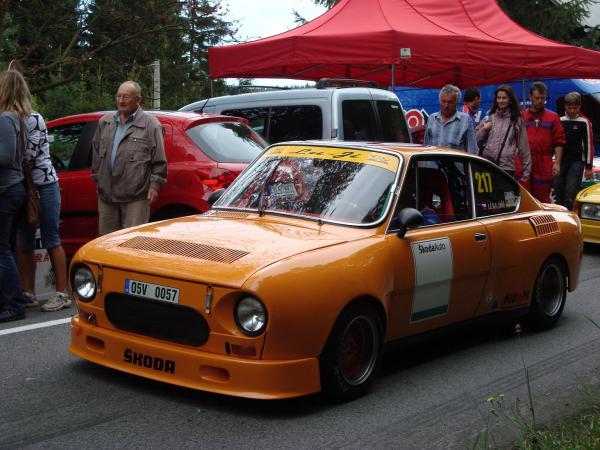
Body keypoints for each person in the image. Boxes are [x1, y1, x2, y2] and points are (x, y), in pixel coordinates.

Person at [7, 62, 72, 312]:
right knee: (24, 241)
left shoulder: (33, 119)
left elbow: (27, 157)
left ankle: (62, 293)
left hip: (43, 186)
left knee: (51, 238)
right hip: (22, 187)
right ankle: (29, 292)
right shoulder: (11, 120)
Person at [91, 81, 167, 235]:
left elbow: (159, 160)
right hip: (107, 196)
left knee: (132, 241)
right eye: (118, 96)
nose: (121, 101)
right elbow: (96, 154)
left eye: (126, 97)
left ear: (138, 99)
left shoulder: (150, 124)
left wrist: (155, 186)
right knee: (107, 242)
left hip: (136, 197)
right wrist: (98, 179)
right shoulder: (105, 122)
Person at [0, 71, 28, 322]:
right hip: (14, 188)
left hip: (6, 189)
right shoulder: (19, 118)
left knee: (3, 250)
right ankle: (11, 299)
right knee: (6, 247)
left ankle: (14, 304)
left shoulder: (6, 118)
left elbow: (6, 157)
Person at [521, 81, 566, 203]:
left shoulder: (553, 117)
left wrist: (557, 163)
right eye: (537, 98)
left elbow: (559, 142)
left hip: (544, 162)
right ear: (530, 97)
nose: (540, 101)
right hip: (524, 161)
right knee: (524, 196)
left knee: (543, 197)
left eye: (543, 98)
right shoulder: (522, 117)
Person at [476, 85, 531, 181]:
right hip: (488, 165)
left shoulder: (517, 120)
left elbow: (523, 146)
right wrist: (484, 129)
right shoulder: (490, 117)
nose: (501, 101)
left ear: (510, 100)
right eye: (499, 98)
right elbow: (476, 141)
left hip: (506, 167)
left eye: (504, 98)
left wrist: (526, 171)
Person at [552, 92, 594, 210]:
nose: (572, 111)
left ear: (579, 106)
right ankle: (559, 213)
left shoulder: (584, 121)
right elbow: (555, 141)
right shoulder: (560, 120)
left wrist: (588, 167)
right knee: (557, 189)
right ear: (565, 106)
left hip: (577, 161)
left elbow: (589, 144)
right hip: (561, 160)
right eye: (569, 107)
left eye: (575, 108)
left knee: (570, 191)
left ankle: (568, 214)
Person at [424, 84, 478, 154]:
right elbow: (426, 147)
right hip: (433, 161)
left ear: (457, 102)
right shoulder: (432, 118)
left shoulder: (465, 120)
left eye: (450, 102)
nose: (446, 105)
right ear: (440, 101)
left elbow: (472, 150)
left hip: (456, 161)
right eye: (443, 101)